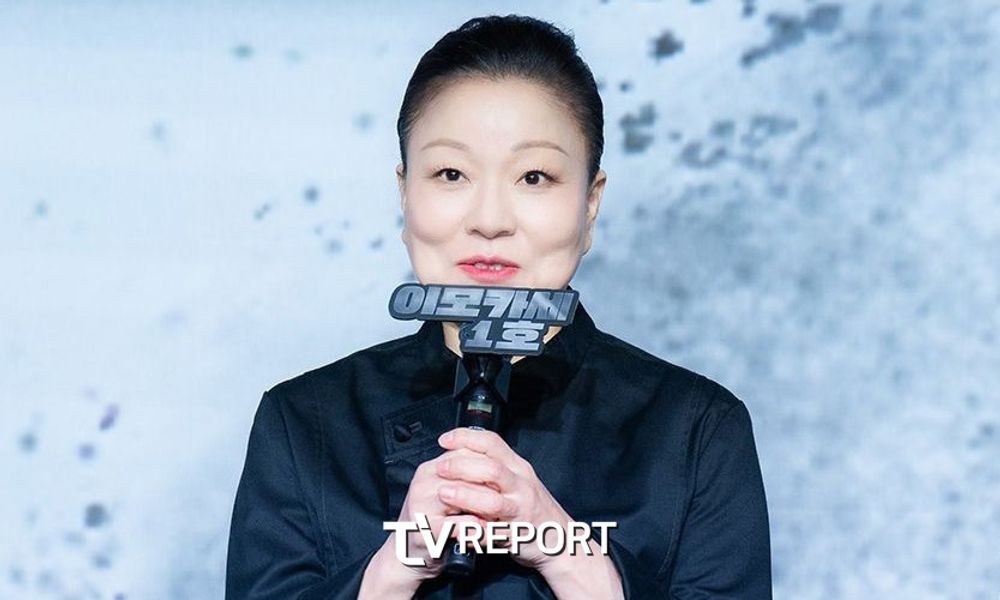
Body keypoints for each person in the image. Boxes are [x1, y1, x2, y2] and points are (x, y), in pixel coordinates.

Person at [225, 14, 771, 599]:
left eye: (534, 177)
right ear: (404, 192)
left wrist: (566, 551)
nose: (489, 220)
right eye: (450, 173)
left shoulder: (696, 431)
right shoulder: (304, 425)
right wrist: (394, 569)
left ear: (590, 203)